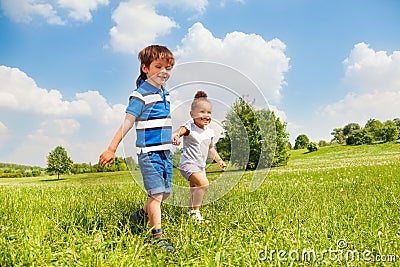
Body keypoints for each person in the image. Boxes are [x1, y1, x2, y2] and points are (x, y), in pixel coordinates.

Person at [99, 45, 175, 251]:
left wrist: (173, 137)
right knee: (157, 195)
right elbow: (127, 123)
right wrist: (111, 149)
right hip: (149, 154)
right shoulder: (139, 95)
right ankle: (157, 237)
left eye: (168, 68)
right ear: (145, 68)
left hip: (166, 153)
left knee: (165, 193)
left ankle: (140, 215)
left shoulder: (165, 93)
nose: (164, 72)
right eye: (158, 66)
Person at [172, 91, 226, 223]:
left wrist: (218, 160)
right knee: (204, 184)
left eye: (209, 113)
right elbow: (179, 131)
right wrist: (176, 135)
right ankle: (196, 213)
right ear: (192, 114)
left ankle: (191, 214)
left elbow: (210, 148)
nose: (206, 115)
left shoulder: (210, 132)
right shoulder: (190, 126)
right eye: (201, 112)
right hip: (188, 164)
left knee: (194, 190)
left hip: (200, 167)